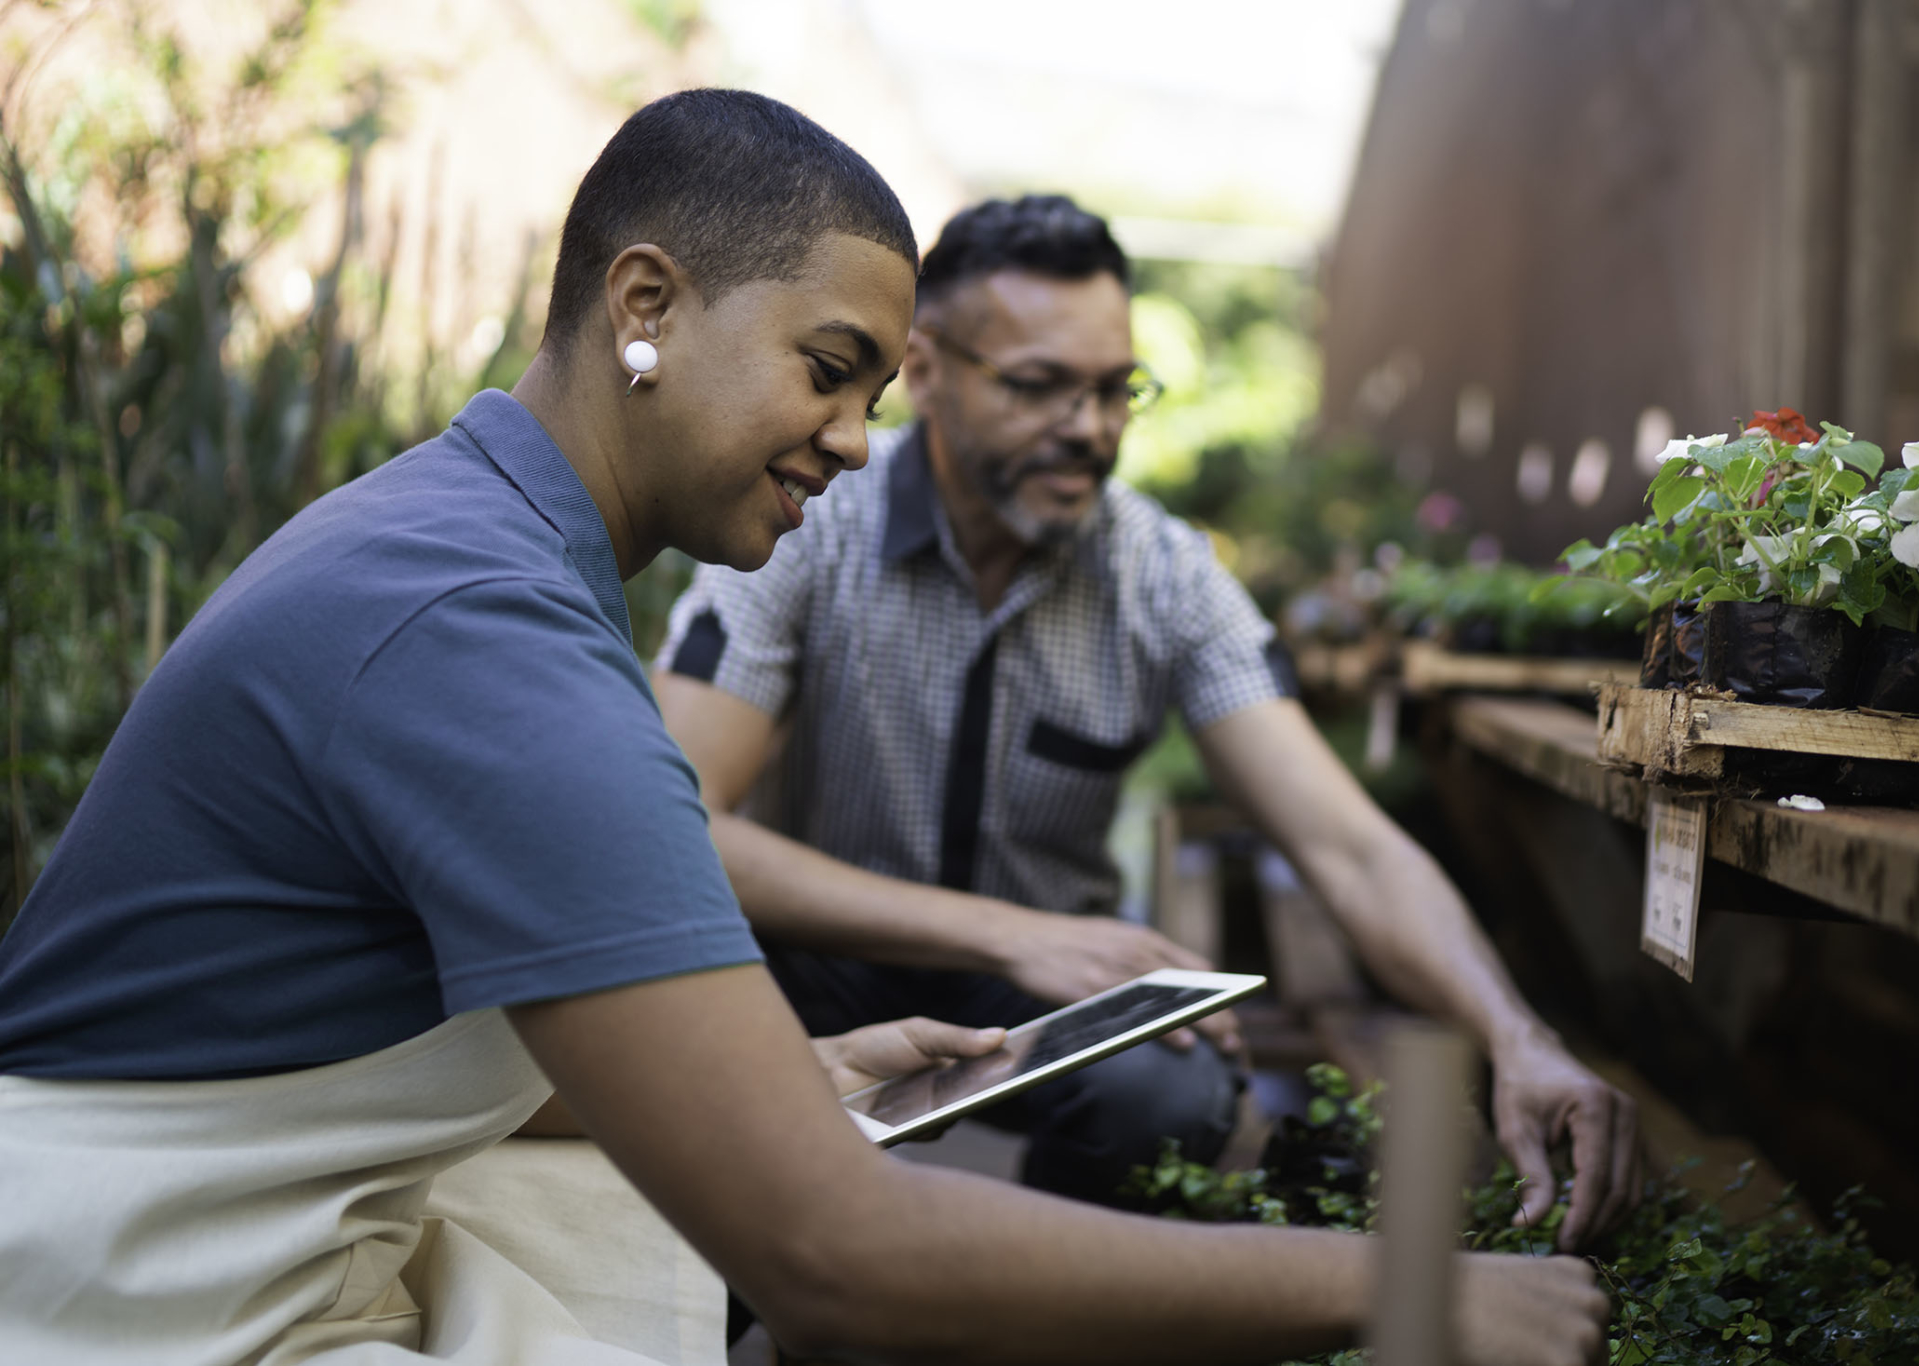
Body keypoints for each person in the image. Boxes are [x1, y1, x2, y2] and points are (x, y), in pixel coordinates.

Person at [0, 91, 1607, 1365]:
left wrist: (798, 1075)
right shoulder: (481, 633)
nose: (848, 440)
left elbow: (331, 1013)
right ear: (648, 303)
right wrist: (1399, 1290)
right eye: (830, 373)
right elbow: (833, 1257)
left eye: (870, 399)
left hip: (242, 1221)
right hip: (136, 1285)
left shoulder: (471, 546)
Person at [655, 194, 1642, 1243]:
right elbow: (674, 826)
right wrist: (1015, 932)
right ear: (928, 368)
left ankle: (1022, 1309)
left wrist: (1514, 1037)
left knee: (1167, 1100)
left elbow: (1345, 846)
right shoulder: (808, 525)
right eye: (1038, 387)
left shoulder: (1165, 576)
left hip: (1046, 996)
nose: (1085, 429)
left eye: (1112, 390)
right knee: (681, 1068)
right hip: (812, 953)